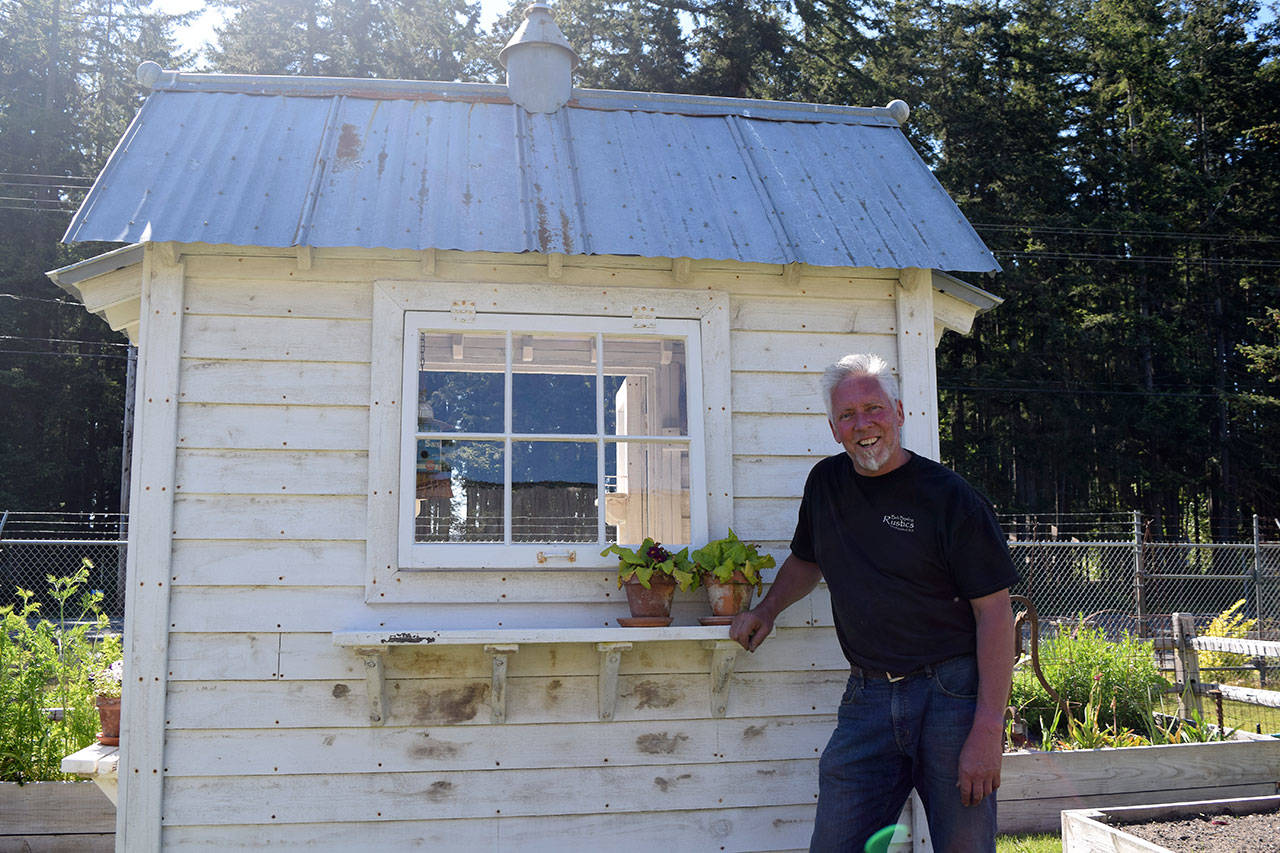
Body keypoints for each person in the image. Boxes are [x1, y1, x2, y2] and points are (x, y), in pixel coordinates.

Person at [730, 353, 1017, 853]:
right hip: (867, 698)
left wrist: (988, 728)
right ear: (833, 428)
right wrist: (766, 610)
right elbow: (806, 560)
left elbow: (994, 612)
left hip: (950, 695)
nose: (863, 424)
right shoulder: (826, 485)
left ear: (900, 413)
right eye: (847, 415)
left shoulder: (949, 497)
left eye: (874, 409)